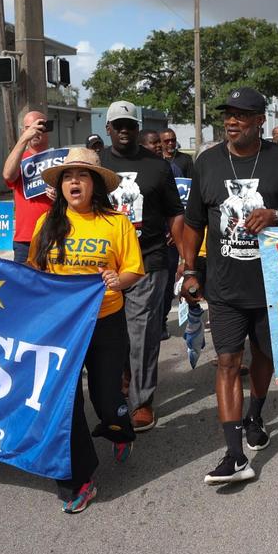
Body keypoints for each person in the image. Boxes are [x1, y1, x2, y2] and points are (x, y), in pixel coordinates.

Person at [179, 86, 278, 485]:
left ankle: (256, 412)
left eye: (242, 115)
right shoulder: (207, 163)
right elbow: (193, 223)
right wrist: (189, 270)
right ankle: (235, 454)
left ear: (260, 121)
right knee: (227, 362)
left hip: (272, 284)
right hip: (224, 286)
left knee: (264, 357)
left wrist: (274, 214)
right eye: (228, 114)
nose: (232, 120)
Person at [24, 147, 143, 512]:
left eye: (82, 176)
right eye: (68, 177)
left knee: (107, 397)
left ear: (95, 184)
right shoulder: (47, 224)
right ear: (60, 187)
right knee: (65, 402)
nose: (74, 182)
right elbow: (34, 272)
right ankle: (79, 479)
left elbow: (134, 271)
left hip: (106, 320)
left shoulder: (116, 222)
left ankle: (119, 427)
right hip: (62, 326)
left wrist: (115, 280)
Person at [99, 101, 184, 432]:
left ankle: (142, 401)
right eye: (117, 125)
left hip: (148, 260)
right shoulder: (97, 164)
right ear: (108, 129)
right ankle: (122, 377)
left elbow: (175, 211)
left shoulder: (158, 166)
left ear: (137, 128)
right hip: (102, 264)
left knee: (142, 335)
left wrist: (183, 259)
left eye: (129, 125)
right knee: (110, 332)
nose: (123, 130)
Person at [2, 110, 55, 263]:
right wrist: (23, 140)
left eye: (39, 126)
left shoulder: (60, 158)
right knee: (23, 285)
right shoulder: (18, 159)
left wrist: (61, 196)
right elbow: (8, 175)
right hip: (25, 239)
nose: (34, 131)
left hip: (55, 236)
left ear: (48, 129)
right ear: (23, 131)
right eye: (29, 127)